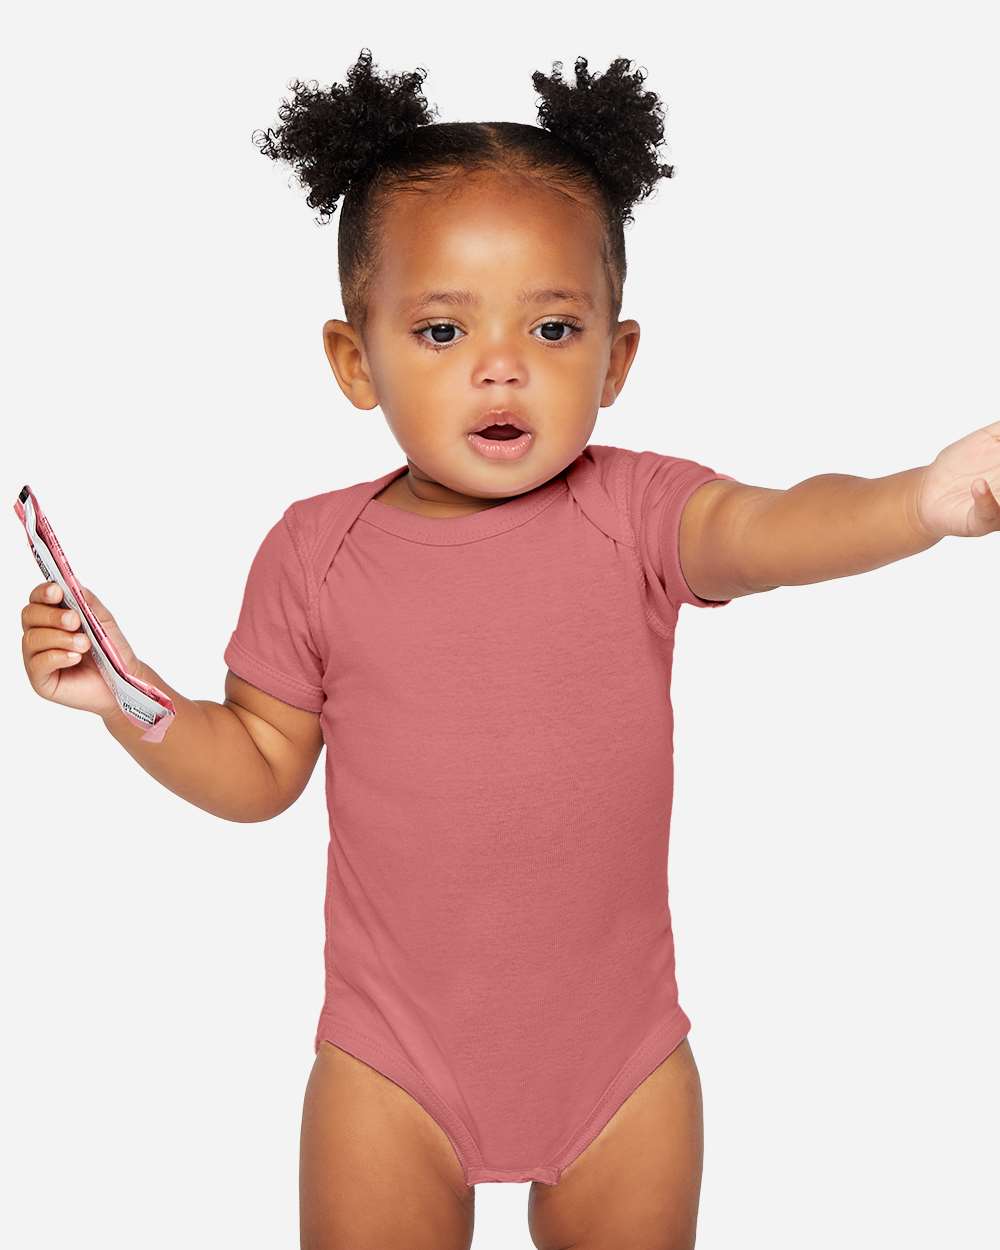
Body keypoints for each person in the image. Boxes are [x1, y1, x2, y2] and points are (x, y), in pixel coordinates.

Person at [19, 47, 1000, 1250]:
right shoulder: (315, 551)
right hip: (390, 1068)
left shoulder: (637, 511)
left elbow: (773, 526)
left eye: (551, 325)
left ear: (615, 358)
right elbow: (260, 765)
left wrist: (921, 499)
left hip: (621, 1071)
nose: (500, 364)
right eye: (441, 329)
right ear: (354, 360)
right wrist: (131, 698)